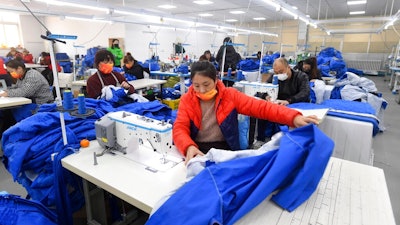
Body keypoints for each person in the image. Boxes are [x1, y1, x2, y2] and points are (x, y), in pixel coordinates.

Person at [172, 61, 318, 163]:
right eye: (196, 85)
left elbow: (262, 108)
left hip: (224, 150)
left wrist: (293, 118)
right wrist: (188, 146)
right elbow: (180, 128)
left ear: (216, 80)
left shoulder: (230, 96)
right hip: (197, 149)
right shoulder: (187, 100)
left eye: (206, 84)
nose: (201, 90)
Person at [254, 57, 310, 147]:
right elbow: (263, 90)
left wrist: (289, 101)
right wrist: (266, 96)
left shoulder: (301, 77)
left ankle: (284, 142)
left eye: (281, 72)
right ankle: (261, 139)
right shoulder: (274, 77)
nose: (278, 75)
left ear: (288, 67)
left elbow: (305, 92)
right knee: (262, 110)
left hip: (295, 104)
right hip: (279, 104)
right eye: (276, 72)